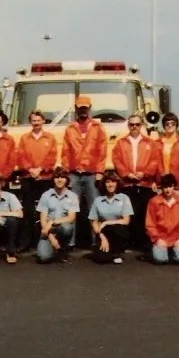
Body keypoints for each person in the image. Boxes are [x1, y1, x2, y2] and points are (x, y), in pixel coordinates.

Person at [63, 95, 107, 248]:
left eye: (85, 108)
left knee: (93, 208)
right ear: (76, 109)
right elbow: (66, 152)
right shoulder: (70, 129)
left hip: (91, 174)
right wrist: (67, 173)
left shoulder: (98, 128)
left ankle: (96, 241)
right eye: (80, 108)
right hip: (74, 174)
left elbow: (102, 151)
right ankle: (71, 242)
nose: (83, 110)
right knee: (72, 208)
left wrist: (100, 171)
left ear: (89, 108)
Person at [112, 114, 161, 250]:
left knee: (145, 213)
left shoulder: (150, 143)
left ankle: (144, 243)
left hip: (145, 183)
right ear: (128, 125)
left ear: (142, 126)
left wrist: (144, 173)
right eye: (132, 124)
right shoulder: (121, 143)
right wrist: (126, 174)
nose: (134, 127)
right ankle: (129, 242)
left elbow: (155, 160)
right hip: (127, 183)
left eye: (137, 124)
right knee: (129, 213)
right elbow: (117, 160)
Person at [16, 110, 58, 252]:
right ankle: (27, 242)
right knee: (27, 210)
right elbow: (21, 156)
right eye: (33, 120)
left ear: (43, 121)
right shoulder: (24, 138)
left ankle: (45, 239)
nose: (36, 123)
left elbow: (52, 157)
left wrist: (41, 169)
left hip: (45, 178)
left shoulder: (50, 138)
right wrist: (31, 169)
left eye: (38, 120)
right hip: (28, 178)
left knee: (46, 210)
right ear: (30, 122)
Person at [146, 173, 179, 264]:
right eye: (165, 187)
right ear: (162, 187)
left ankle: (172, 251)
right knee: (160, 260)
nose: (167, 190)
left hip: (177, 238)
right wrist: (157, 239)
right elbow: (150, 224)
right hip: (161, 238)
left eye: (170, 186)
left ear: (174, 186)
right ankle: (160, 250)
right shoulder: (154, 202)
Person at [35, 167, 80, 264]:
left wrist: (52, 221)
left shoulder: (72, 196)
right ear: (53, 179)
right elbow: (43, 220)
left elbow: (71, 218)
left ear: (67, 180)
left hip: (61, 228)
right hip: (49, 231)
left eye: (62, 177)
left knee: (67, 227)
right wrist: (51, 238)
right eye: (57, 177)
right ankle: (54, 249)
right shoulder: (46, 195)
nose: (59, 180)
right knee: (43, 258)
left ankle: (62, 250)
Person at [88, 172, 133, 264]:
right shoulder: (98, 201)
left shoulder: (124, 198)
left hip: (118, 232)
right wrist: (102, 236)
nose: (110, 184)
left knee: (117, 228)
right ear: (104, 184)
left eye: (113, 182)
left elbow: (126, 221)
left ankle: (117, 252)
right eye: (108, 182)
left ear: (117, 183)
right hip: (103, 232)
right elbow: (94, 222)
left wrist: (106, 223)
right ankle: (108, 251)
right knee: (102, 259)